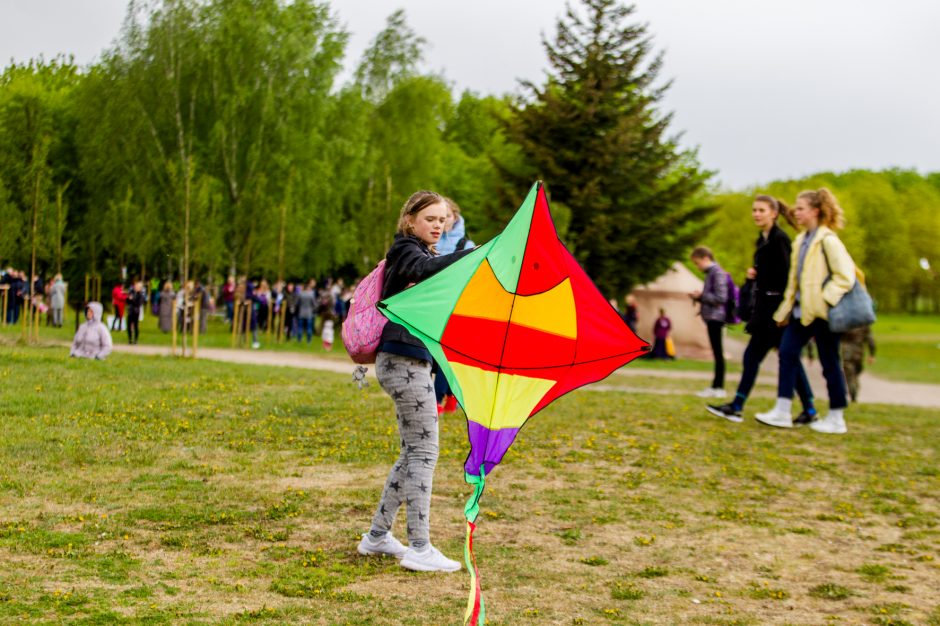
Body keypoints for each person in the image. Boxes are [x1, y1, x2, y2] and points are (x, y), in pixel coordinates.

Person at [358, 190, 473, 573]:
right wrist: (476, 254)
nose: (438, 226)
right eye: (431, 219)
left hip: (410, 363)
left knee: (413, 453)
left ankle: (377, 536)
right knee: (426, 452)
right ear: (410, 220)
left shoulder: (422, 255)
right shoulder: (407, 251)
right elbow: (424, 272)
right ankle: (419, 546)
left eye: (444, 221)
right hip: (404, 364)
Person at [706, 196, 817, 424]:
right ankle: (810, 410)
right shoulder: (762, 240)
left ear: (774, 213)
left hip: (776, 313)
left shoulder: (780, 240)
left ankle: (737, 406)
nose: (757, 214)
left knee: (765, 357)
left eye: (762, 210)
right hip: (765, 310)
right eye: (754, 210)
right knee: (784, 358)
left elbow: (789, 277)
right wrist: (754, 276)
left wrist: (785, 312)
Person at [757, 188, 855, 434]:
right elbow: (794, 282)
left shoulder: (828, 240)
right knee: (787, 354)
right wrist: (784, 311)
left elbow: (846, 276)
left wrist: (824, 300)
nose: (795, 212)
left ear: (815, 211)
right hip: (801, 314)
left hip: (822, 313)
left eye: (800, 208)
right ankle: (782, 411)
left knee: (829, 363)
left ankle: (836, 417)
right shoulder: (801, 240)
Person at [689, 247, 729, 398]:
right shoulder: (711, 273)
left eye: (697, 263)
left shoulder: (716, 272)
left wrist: (702, 296)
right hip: (711, 317)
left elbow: (721, 298)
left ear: (706, 258)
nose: (697, 267)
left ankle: (718, 387)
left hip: (715, 317)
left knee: (718, 353)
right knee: (717, 353)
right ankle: (716, 385)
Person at [841, 323, 875, 403]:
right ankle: (854, 393)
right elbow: (871, 340)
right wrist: (872, 354)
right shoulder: (864, 324)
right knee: (855, 372)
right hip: (859, 353)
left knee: (850, 374)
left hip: (847, 353)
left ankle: (853, 392)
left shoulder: (844, 322)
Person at [296, 280, 316, 344]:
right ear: (308, 288)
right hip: (309, 313)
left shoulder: (300, 294)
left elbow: (297, 303)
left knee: (300, 327)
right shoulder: (311, 295)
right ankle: (309, 341)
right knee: (309, 328)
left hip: (301, 312)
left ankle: (299, 340)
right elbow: (314, 304)